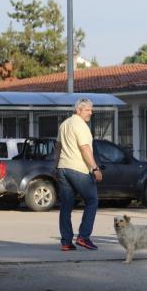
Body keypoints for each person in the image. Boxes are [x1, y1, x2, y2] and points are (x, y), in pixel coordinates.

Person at [54, 98, 103, 251]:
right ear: (78, 110)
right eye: (88, 109)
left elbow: (58, 148)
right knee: (92, 200)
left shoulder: (64, 124)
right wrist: (95, 168)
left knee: (66, 206)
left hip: (63, 168)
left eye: (91, 109)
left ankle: (66, 242)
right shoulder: (80, 125)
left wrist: (56, 166)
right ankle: (84, 236)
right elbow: (84, 149)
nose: (91, 112)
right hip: (78, 168)